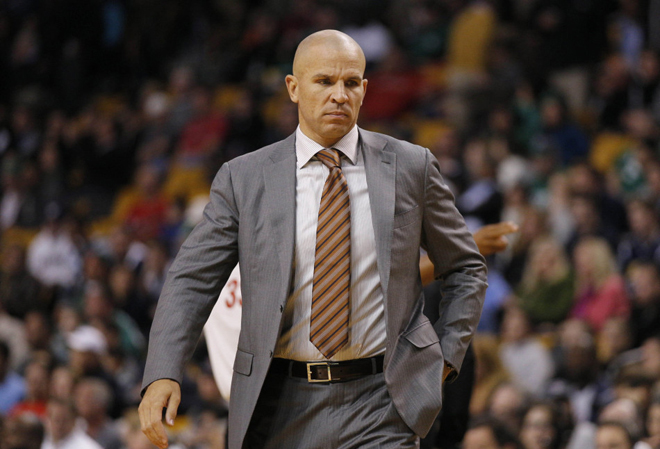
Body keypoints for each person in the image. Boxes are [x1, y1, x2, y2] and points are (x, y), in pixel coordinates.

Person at [139, 30, 487, 449]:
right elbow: (191, 279)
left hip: (382, 399)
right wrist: (163, 372)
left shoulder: (412, 166)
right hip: (277, 400)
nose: (339, 95)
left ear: (364, 90)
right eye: (324, 81)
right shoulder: (244, 177)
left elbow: (465, 267)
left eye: (351, 82)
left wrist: (445, 356)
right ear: (293, 88)